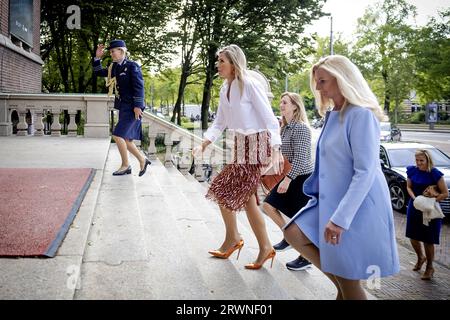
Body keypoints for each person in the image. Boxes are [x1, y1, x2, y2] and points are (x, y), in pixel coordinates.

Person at [283, 55, 400, 300]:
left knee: (349, 282)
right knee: (294, 233)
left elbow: (365, 171)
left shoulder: (360, 115)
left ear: (342, 80)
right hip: (330, 200)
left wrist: (340, 220)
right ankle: (343, 288)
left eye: (323, 81)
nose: (317, 88)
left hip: (355, 208)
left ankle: (345, 289)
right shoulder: (334, 113)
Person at [193, 44, 283, 270]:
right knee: (246, 199)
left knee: (223, 190)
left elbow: (270, 119)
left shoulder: (250, 85)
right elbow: (220, 122)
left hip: (256, 145)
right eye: (218, 61)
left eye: (222, 61)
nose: (218, 65)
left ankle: (238, 241)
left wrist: (276, 149)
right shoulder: (225, 89)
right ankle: (257, 245)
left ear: (234, 64)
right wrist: (204, 143)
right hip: (239, 145)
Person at [262, 92, 313, 271]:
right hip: (291, 176)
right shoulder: (285, 127)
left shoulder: (301, 128)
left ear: (295, 106)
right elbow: (282, 156)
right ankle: (290, 236)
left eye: (285, 102)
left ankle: (306, 257)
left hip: (301, 179)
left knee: (301, 220)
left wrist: (287, 180)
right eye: (280, 101)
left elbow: (301, 159)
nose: (281, 104)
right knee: (268, 206)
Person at [93, 39, 151, 176]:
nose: (112, 53)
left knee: (118, 135)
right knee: (125, 139)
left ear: (122, 51)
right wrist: (97, 58)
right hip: (123, 107)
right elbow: (98, 72)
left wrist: (138, 106)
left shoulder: (132, 66)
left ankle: (126, 165)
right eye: (111, 51)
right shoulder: (115, 67)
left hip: (133, 108)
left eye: (114, 51)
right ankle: (142, 160)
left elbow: (139, 87)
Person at [405, 149, 448, 280]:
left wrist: (430, 200)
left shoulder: (435, 173)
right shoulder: (412, 170)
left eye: (421, 161)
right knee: (413, 236)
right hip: (414, 207)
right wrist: (415, 199)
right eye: (417, 160)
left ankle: (430, 267)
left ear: (428, 160)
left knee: (428, 240)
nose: (418, 163)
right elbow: (409, 187)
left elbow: (445, 193)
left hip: (429, 210)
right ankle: (420, 258)